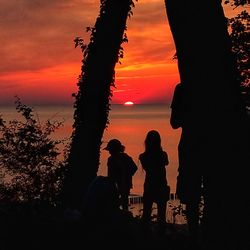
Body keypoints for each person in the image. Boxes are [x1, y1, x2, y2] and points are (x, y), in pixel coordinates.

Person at [170, 82, 203, 243]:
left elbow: (174, 122)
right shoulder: (216, 84)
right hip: (213, 146)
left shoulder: (183, 88)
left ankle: (195, 234)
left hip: (189, 147)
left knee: (190, 193)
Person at [139, 130, 170, 228]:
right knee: (161, 216)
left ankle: (145, 236)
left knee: (146, 214)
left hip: (149, 186)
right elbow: (166, 162)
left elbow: (147, 167)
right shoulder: (163, 155)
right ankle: (161, 236)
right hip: (161, 185)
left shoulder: (143, 157)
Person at [104, 139, 138, 211]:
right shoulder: (124, 157)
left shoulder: (112, 159)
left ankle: (121, 216)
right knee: (123, 201)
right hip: (122, 183)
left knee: (119, 202)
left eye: (110, 150)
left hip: (119, 184)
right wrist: (128, 175)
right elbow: (134, 168)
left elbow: (110, 174)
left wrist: (126, 175)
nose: (109, 152)